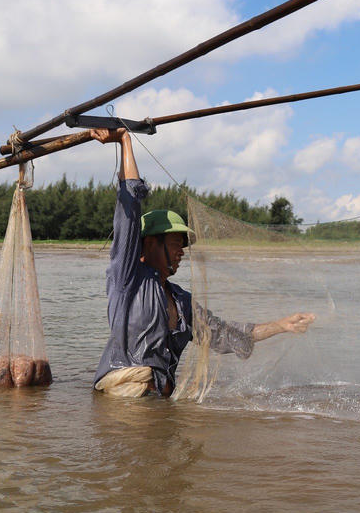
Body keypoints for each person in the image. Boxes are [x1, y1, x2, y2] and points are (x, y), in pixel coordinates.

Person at [91, 127, 315, 398]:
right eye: (175, 244)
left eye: (182, 246)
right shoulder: (127, 279)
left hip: (158, 399)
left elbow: (224, 334)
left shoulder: (182, 301)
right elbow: (129, 206)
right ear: (150, 243)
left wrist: (282, 325)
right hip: (123, 397)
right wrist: (125, 140)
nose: (181, 252)